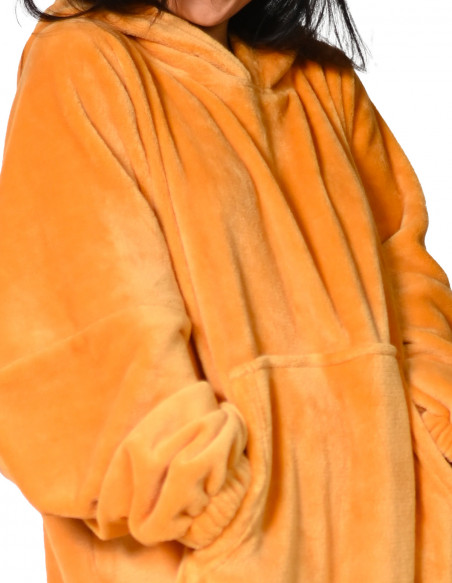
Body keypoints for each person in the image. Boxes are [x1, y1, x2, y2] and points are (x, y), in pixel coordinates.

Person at [1, 0, 451, 581]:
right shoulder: (83, 63)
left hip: (385, 545)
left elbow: (408, 282)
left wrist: (438, 443)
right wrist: (213, 513)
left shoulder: (322, 80)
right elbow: (73, 356)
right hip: (202, 558)